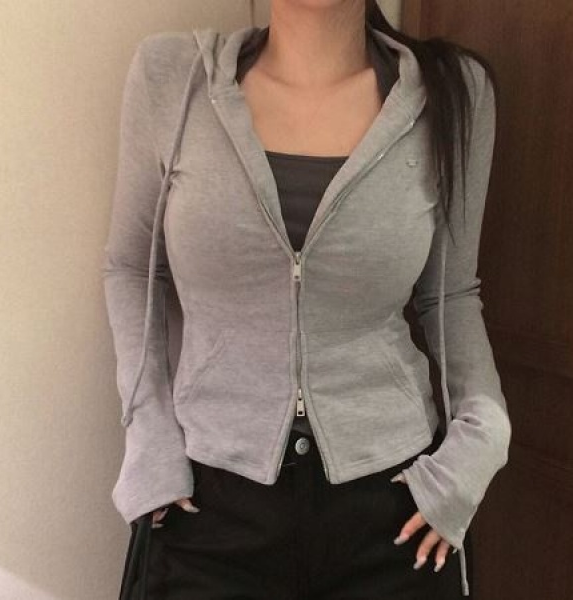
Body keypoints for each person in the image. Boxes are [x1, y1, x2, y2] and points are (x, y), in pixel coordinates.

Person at [102, 1, 512, 598]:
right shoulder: (172, 77)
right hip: (208, 500)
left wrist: (482, 438)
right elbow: (132, 269)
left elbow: (450, 292)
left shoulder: (452, 91)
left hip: (396, 507)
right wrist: (149, 440)